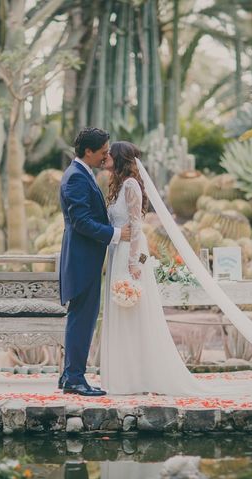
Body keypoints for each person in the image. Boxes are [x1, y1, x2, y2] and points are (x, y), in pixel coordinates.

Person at [100, 141, 206, 395]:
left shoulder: (131, 185)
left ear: (119, 158)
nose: (105, 157)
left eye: (109, 154)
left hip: (130, 252)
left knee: (133, 311)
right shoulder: (117, 186)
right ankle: (126, 376)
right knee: (122, 311)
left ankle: (139, 376)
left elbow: (136, 224)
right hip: (118, 251)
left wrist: (134, 262)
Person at [58, 127, 131, 396]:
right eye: (102, 151)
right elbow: (81, 222)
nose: (106, 155)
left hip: (84, 258)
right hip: (81, 259)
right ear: (88, 151)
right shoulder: (76, 178)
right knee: (82, 319)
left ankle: (70, 376)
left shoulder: (81, 173)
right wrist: (116, 234)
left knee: (82, 318)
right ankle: (75, 379)